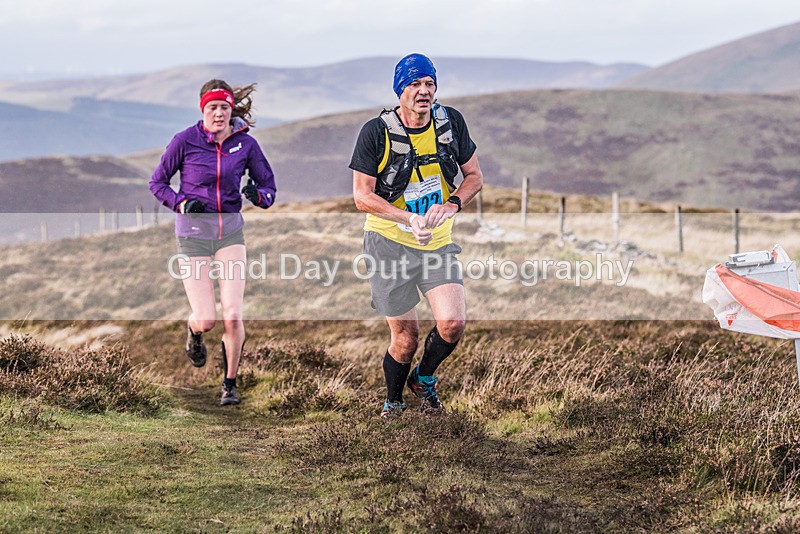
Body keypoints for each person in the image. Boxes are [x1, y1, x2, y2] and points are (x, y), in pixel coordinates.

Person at [350, 54, 484, 417]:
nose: (423, 91)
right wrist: (408, 218)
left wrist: (453, 204)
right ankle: (393, 402)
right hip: (388, 245)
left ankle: (423, 379)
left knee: (452, 324)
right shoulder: (375, 132)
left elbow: (474, 177)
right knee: (405, 339)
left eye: (429, 84)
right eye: (414, 84)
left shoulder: (450, 122)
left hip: (436, 245)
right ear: (400, 90)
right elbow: (362, 196)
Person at [150, 79, 276, 406]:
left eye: (224, 107)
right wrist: (181, 204)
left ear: (231, 109)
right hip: (193, 236)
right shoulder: (185, 141)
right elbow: (157, 182)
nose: (218, 113)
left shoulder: (246, 144)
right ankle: (194, 332)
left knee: (233, 315)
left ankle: (229, 384)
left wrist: (257, 196)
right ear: (202, 109)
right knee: (206, 318)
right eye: (212, 107)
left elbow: (269, 188)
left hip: (230, 235)